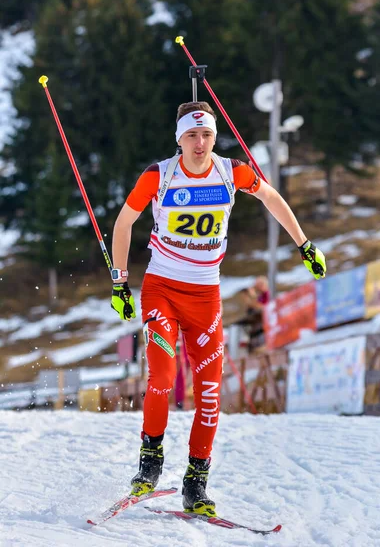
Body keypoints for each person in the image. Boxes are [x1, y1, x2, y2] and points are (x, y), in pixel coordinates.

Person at [110, 100, 326, 517]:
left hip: (206, 297)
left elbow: (271, 196)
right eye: (191, 135)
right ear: (179, 139)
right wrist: (119, 282)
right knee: (164, 373)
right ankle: (150, 462)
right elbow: (123, 222)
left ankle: (196, 481)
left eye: (206, 134)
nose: (200, 143)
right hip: (162, 291)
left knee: (209, 393)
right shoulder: (160, 175)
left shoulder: (230, 171)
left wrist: (304, 244)